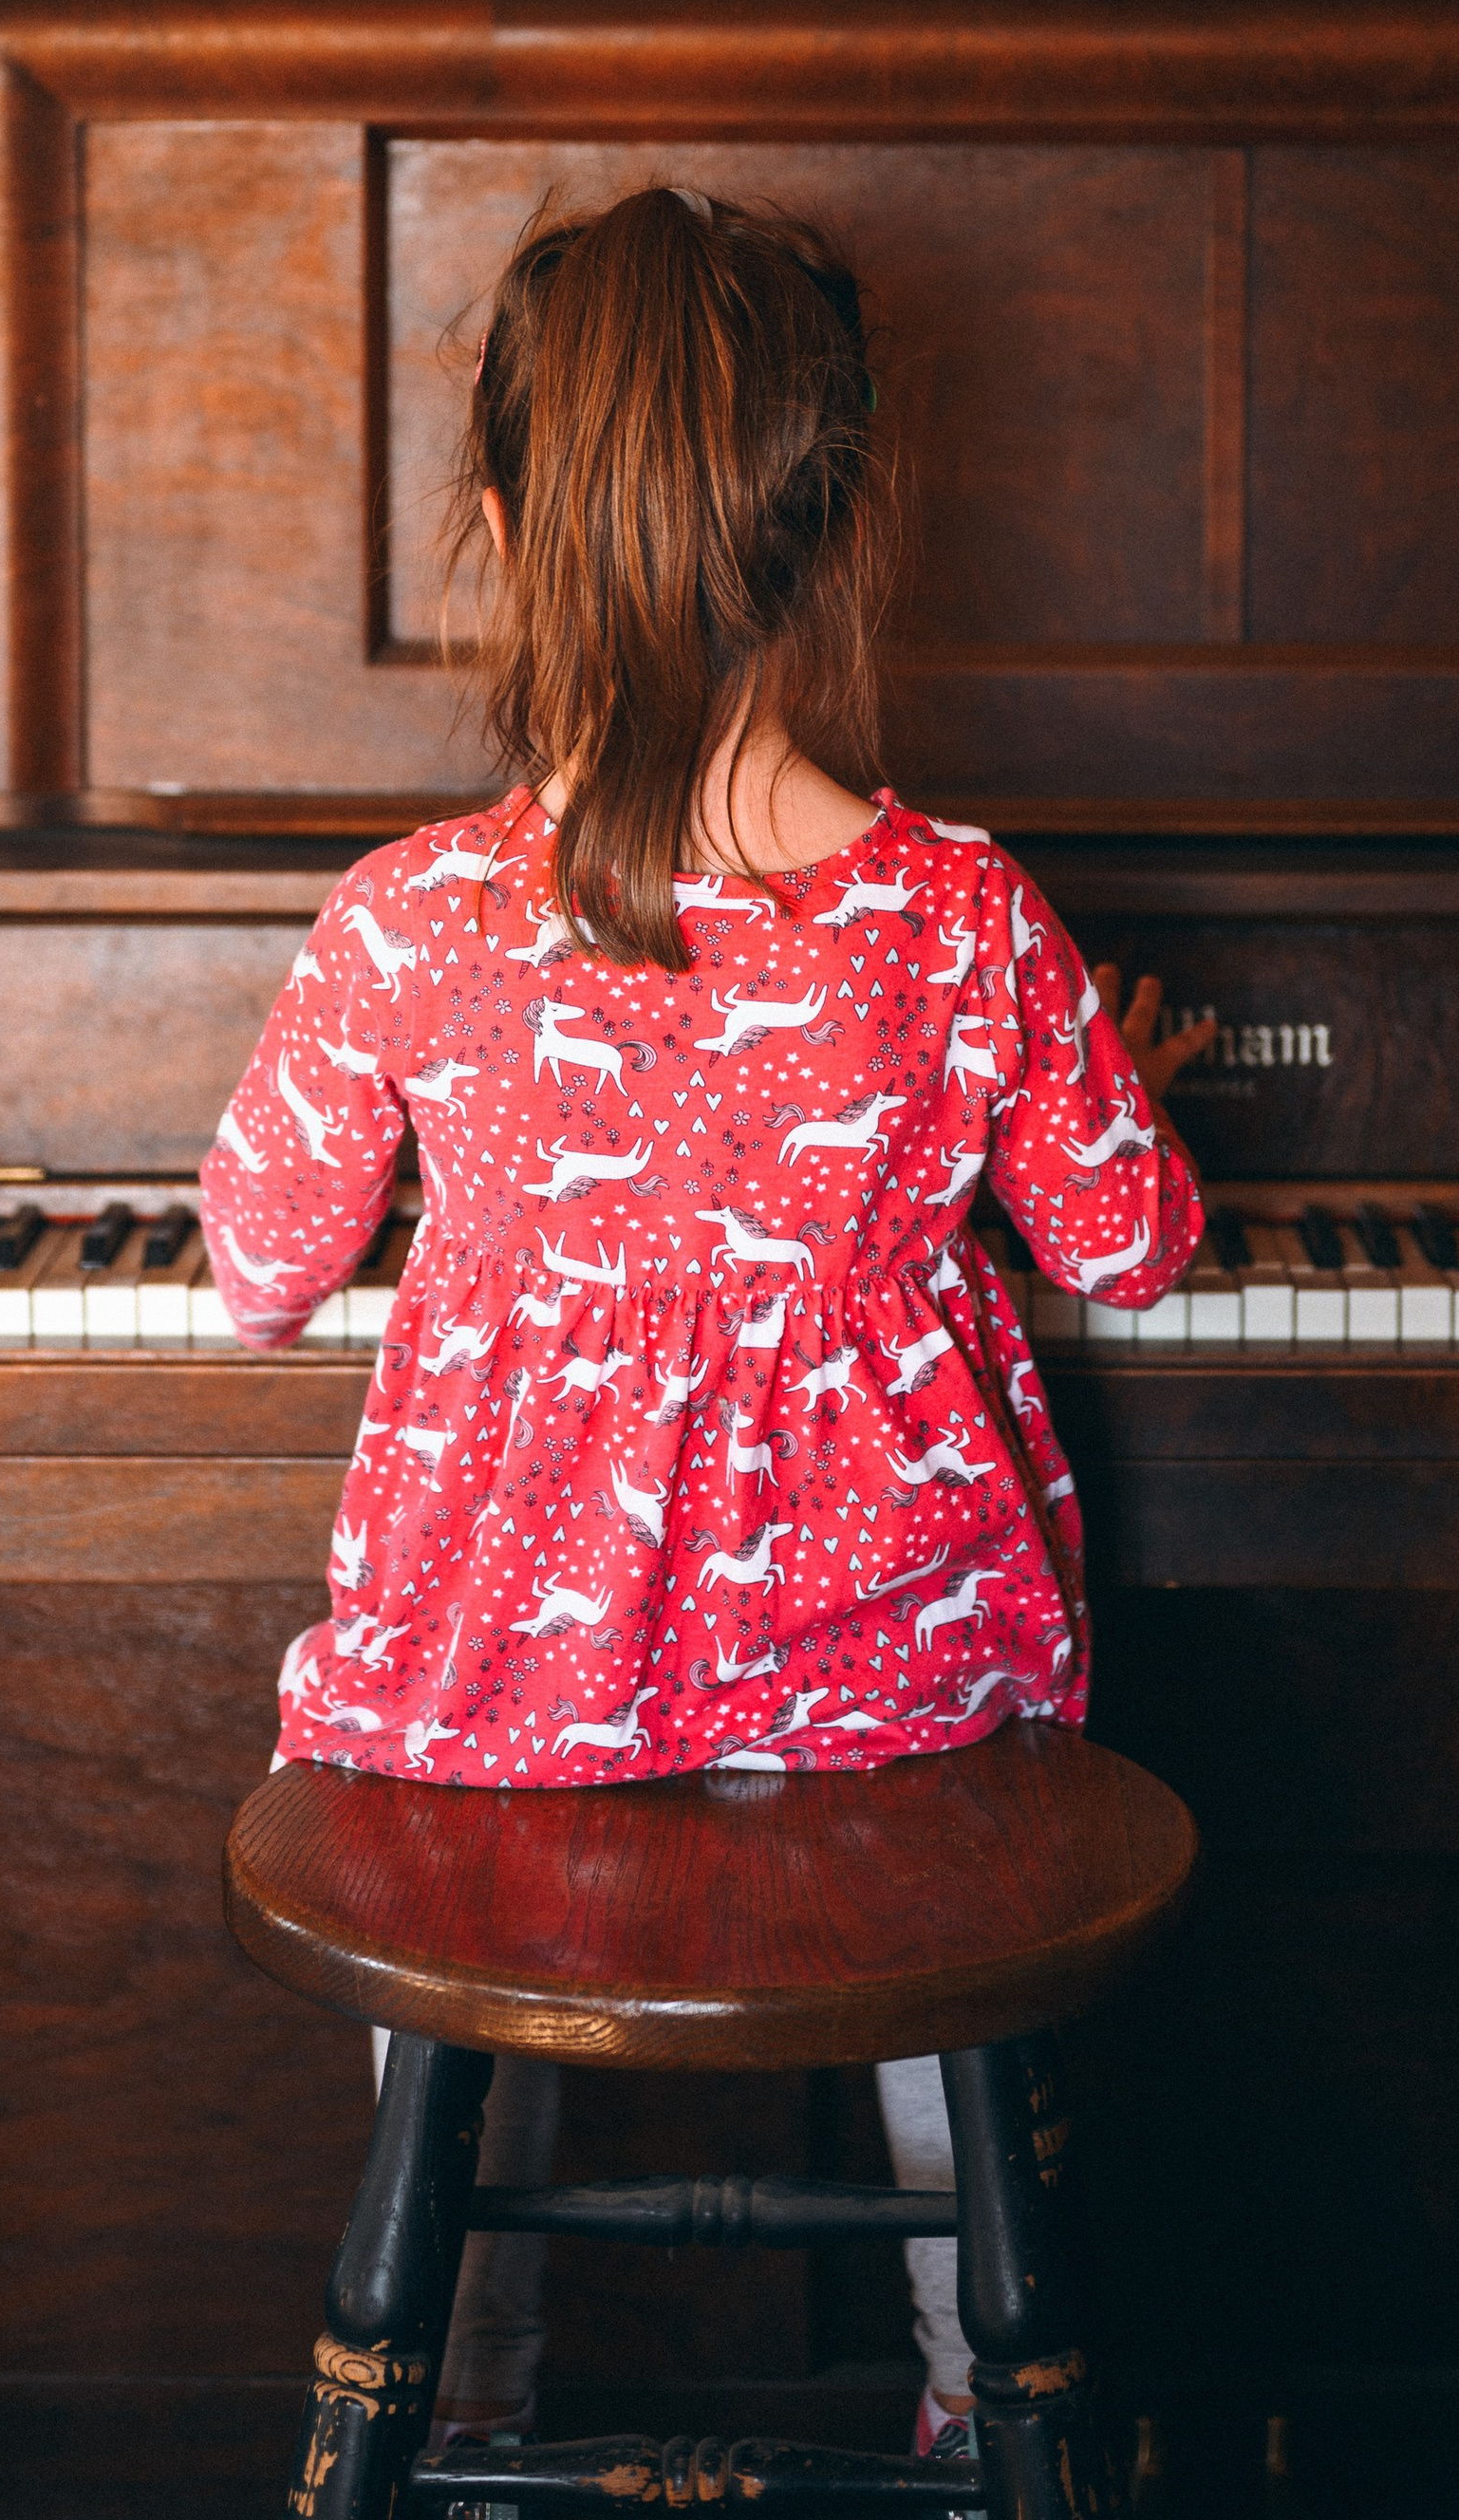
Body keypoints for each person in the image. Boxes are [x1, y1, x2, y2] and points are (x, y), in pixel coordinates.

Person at [200, 185, 1206, 2464]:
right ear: (842, 529)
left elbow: (256, 1270)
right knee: (958, 2033)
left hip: (489, 1713)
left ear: (492, 528)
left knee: (449, 1911)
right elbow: (1130, 1244)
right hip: (895, 1725)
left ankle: (458, 2423)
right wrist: (1101, 1063)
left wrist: (445, 1217)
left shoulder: (401, 922)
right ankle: (981, 2422)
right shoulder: (959, 917)